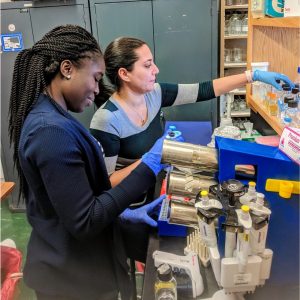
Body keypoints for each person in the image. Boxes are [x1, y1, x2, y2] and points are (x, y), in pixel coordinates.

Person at [8, 25, 167, 300]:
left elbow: (76, 197)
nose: (97, 89)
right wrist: (149, 165)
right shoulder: (50, 131)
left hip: (81, 267)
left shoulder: (57, 117)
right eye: (94, 78)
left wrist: (123, 216)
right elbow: (84, 220)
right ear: (67, 69)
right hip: (70, 280)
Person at [90, 37, 294, 188]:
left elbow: (204, 90)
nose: (156, 70)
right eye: (147, 65)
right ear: (124, 74)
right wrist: (149, 160)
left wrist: (252, 76)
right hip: (131, 200)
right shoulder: (107, 119)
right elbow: (107, 182)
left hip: (156, 182)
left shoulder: (155, 94)